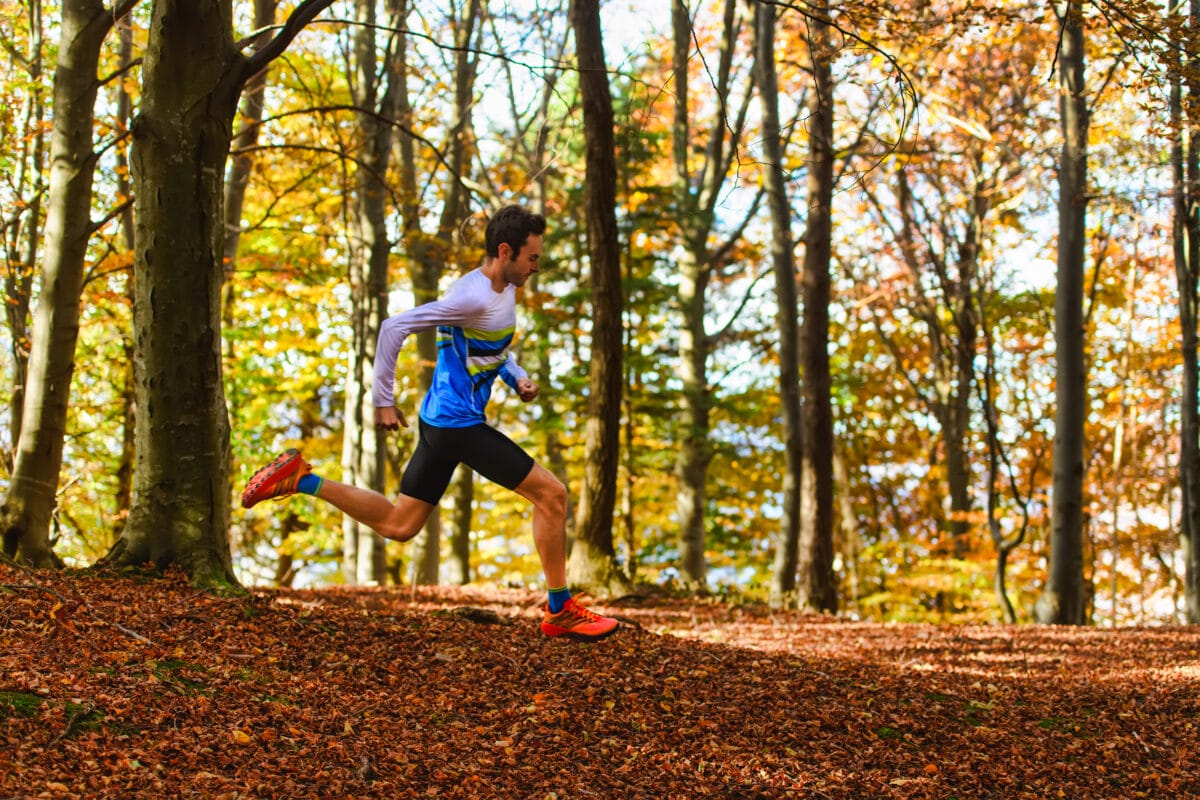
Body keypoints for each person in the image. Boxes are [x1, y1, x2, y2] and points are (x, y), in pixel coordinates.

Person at [241, 204, 618, 642]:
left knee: (400, 525)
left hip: (440, 423)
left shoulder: (500, 289)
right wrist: (384, 401)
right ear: (505, 251)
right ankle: (560, 610)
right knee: (552, 495)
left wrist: (516, 378)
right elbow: (392, 328)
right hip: (458, 426)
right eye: (532, 257)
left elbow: (490, 348)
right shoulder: (469, 297)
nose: (537, 266)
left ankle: (300, 480)